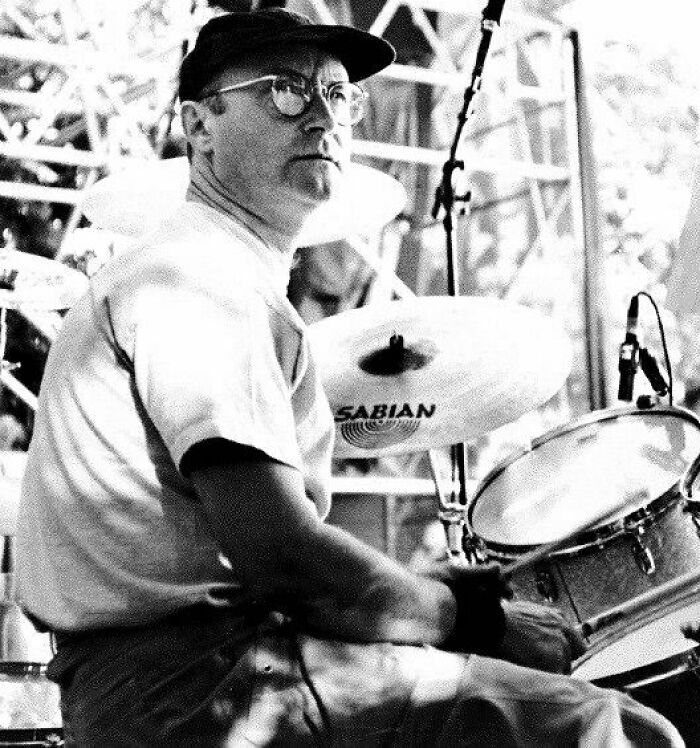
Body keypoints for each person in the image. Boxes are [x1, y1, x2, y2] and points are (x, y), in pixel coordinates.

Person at [16, 8, 683, 747]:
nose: (323, 116)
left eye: (339, 95)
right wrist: (474, 619)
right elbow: (284, 560)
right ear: (199, 125)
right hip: (202, 689)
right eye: (286, 91)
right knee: (613, 729)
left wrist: (423, 597)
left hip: (190, 681)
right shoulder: (199, 275)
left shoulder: (206, 270)